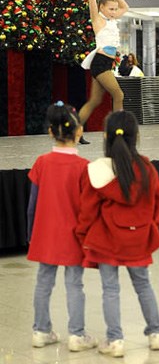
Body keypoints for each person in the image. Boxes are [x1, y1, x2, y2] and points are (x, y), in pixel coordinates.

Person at [75, 110, 159, 358]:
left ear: (105, 136)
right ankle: (156, 333)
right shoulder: (147, 168)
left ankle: (115, 341)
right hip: (139, 239)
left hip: (107, 241)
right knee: (144, 286)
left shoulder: (97, 171)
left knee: (110, 290)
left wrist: (83, 235)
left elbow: (88, 210)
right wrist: (151, 226)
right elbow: (156, 202)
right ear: (136, 136)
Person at [27, 101, 97, 351]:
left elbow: (32, 206)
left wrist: (31, 235)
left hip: (45, 234)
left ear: (50, 132)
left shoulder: (41, 163)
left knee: (43, 282)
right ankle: (77, 335)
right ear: (79, 132)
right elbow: (89, 209)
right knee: (74, 284)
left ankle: (40, 330)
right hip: (74, 236)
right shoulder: (83, 167)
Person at [79, 0, 129, 126]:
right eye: (111, 9)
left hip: (106, 63)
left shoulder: (111, 19)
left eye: (115, 9)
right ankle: (118, 129)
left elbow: (125, 8)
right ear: (102, 8)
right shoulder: (98, 20)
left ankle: (74, 130)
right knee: (119, 94)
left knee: (94, 101)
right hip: (101, 62)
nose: (114, 12)